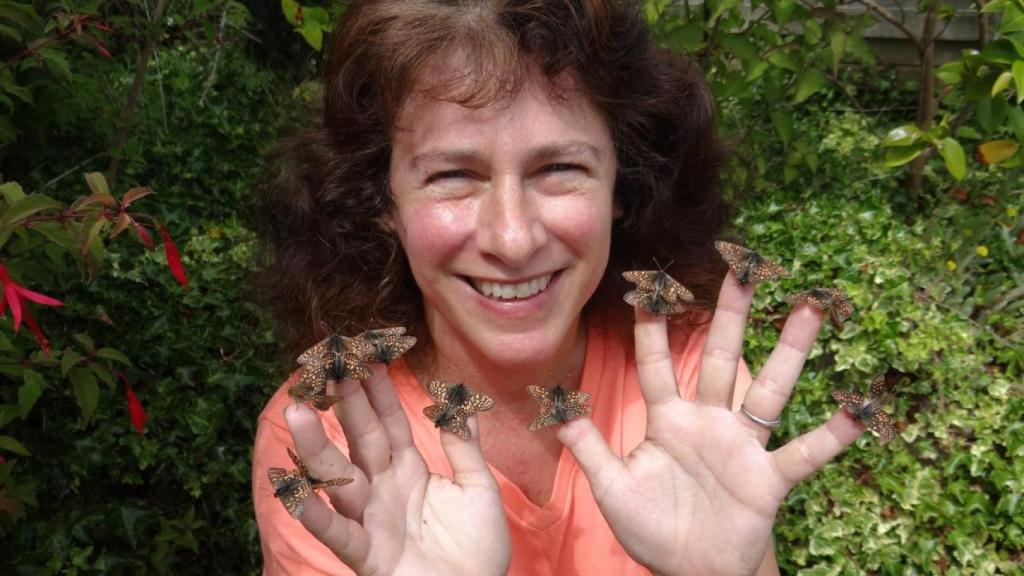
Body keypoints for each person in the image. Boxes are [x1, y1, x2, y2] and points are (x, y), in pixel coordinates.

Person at [251, 1, 864, 574]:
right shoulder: (324, 441)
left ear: (623, 184)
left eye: (560, 168)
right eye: (454, 175)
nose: (513, 239)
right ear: (382, 201)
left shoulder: (687, 376)